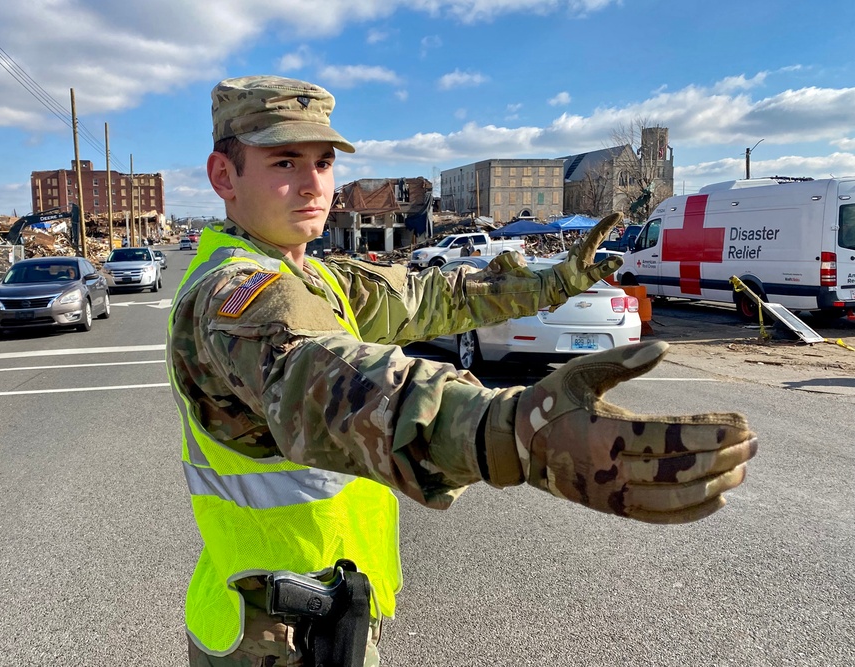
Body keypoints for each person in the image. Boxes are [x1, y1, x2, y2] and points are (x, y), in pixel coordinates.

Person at [166, 75, 757, 666]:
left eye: (323, 162)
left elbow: (428, 295)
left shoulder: (314, 277)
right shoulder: (235, 295)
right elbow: (332, 381)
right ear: (224, 176)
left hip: (320, 615)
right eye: (284, 161)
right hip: (269, 638)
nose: (313, 184)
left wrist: (550, 281)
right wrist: (508, 430)